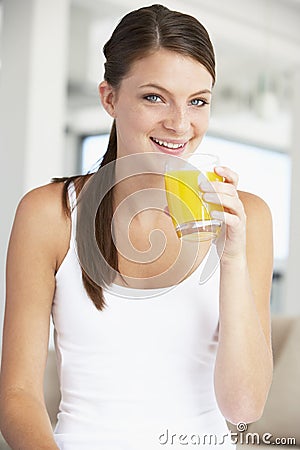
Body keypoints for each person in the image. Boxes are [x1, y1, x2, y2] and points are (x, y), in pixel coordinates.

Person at [0, 4, 273, 449]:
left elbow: (243, 408)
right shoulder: (49, 214)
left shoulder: (249, 218)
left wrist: (234, 257)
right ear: (110, 98)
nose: (179, 124)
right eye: (154, 97)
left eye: (197, 101)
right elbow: (17, 395)